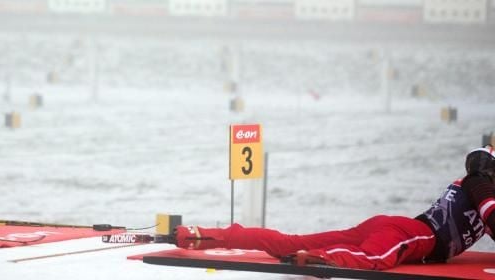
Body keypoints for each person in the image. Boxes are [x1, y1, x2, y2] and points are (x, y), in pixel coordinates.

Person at [175, 146, 495, 270]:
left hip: (393, 226)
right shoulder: (479, 184)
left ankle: (202, 235)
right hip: (414, 235)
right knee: (373, 260)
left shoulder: (474, 181)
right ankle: (316, 261)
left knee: (290, 241)